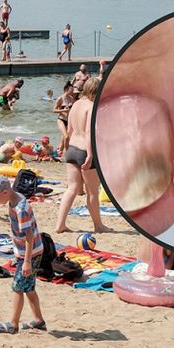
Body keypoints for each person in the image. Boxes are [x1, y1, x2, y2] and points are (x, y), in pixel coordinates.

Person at [0, 174, 46, 334]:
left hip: (30, 254)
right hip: (27, 252)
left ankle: (13, 324)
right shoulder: (14, 199)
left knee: (17, 288)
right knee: (29, 288)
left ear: (4, 192)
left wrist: (27, 261)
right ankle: (38, 320)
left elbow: (29, 236)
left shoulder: (20, 209)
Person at [55, 78, 109, 234]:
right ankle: (98, 225)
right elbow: (89, 132)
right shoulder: (91, 107)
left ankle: (60, 225)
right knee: (92, 192)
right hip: (85, 151)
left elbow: (69, 131)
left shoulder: (76, 104)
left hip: (72, 149)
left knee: (71, 188)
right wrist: (91, 155)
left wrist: (65, 149)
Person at [53, 81, 75, 156]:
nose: (72, 91)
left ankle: (58, 154)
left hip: (68, 121)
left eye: (73, 90)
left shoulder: (71, 98)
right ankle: (66, 155)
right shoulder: (60, 98)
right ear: (66, 89)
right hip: (61, 120)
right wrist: (63, 110)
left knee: (62, 141)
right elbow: (54, 110)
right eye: (71, 90)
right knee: (66, 137)